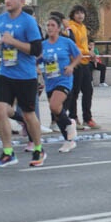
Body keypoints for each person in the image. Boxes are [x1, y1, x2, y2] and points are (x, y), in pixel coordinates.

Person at [0, 0, 45, 168]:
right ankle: (8, 152)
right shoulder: (0, 20)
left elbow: (36, 50)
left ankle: (38, 148)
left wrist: (13, 42)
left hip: (25, 75)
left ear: (21, 1)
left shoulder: (29, 22)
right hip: (6, 72)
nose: (8, 1)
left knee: (29, 115)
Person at [39, 16, 81, 152]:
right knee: (56, 111)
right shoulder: (43, 45)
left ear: (58, 28)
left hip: (64, 79)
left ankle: (69, 123)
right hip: (50, 80)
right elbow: (37, 60)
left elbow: (78, 56)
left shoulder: (66, 42)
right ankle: (68, 140)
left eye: (52, 25)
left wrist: (71, 66)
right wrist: (37, 68)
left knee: (54, 105)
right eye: (48, 25)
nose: (49, 27)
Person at [63, 5, 95, 128]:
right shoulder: (71, 27)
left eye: (82, 13)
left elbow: (84, 45)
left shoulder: (83, 27)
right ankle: (73, 117)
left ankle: (88, 118)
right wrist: (88, 52)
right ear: (72, 15)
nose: (80, 15)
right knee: (74, 92)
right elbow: (73, 46)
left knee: (88, 91)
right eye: (77, 13)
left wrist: (90, 52)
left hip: (86, 63)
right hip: (76, 63)